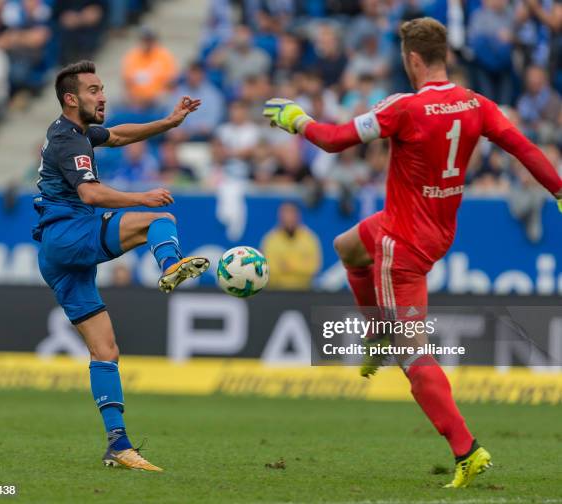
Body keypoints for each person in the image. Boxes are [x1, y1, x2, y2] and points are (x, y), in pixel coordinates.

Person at [263, 17, 562, 488]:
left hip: (400, 244)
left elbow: (336, 140)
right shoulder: (476, 103)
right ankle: (378, 334)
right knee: (346, 246)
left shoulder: (403, 107)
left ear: (413, 59)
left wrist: (296, 120)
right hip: (435, 230)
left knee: (413, 353)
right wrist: (560, 192)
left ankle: (467, 450)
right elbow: (524, 148)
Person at [33, 61, 210, 471]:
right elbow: (91, 195)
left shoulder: (75, 133)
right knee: (160, 220)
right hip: (68, 234)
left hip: (57, 255)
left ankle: (118, 444)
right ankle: (170, 264)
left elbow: (118, 135)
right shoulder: (68, 141)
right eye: (94, 90)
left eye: (103, 88)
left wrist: (169, 122)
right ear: (71, 99)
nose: (104, 96)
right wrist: (141, 198)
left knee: (105, 350)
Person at [261, 202, 322, 290]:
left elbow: (314, 267)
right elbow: (268, 267)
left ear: (298, 215)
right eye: (285, 213)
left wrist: (287, 265)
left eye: (291, 213)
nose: (288, 217)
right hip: (275, 291)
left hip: (304, 291)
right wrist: (299, 264)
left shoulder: (310, 238)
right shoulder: (270, 239)